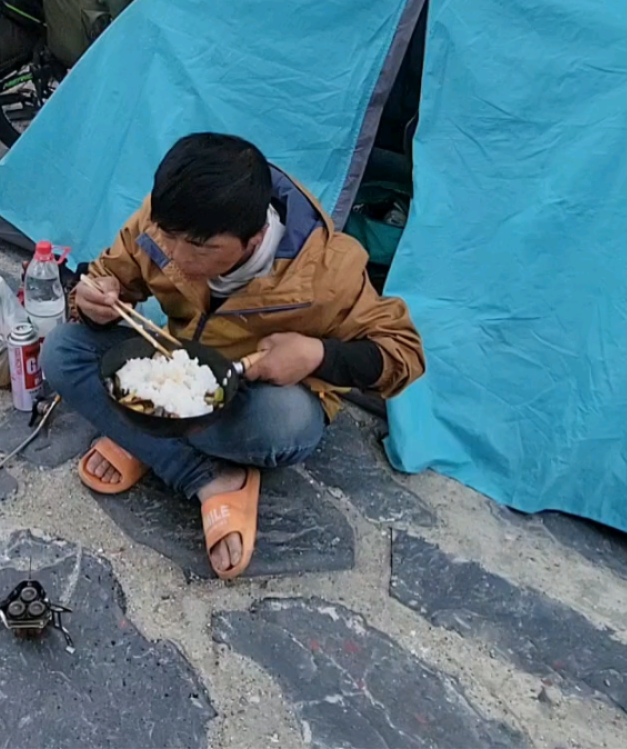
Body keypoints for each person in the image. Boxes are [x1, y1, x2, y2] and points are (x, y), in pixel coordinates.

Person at [42, 133, 425, 579]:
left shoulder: (324, 272)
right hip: (178, 369)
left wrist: (316, 355)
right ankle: (207, 478)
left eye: (202, 249)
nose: (179, 258)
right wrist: (95, 301)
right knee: (62, 353)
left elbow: (404, 352)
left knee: (283, 427)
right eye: (170, 239)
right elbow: (112, 278)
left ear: (254, 237)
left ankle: (141, 435)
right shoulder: (170, 219)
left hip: (256, 395)